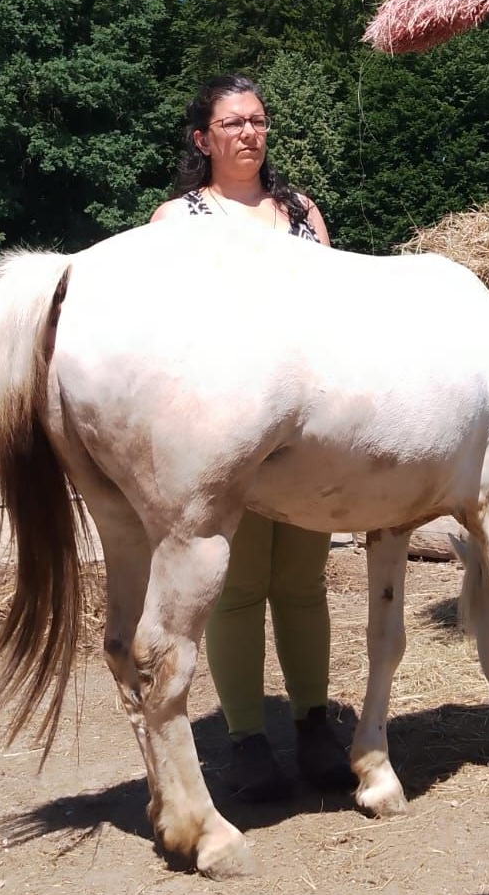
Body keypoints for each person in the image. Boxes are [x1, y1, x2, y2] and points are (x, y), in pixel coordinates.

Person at [150, 74, 353, 802]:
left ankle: (313, 726)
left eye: (258, 120)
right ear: (202, 138)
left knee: (301, 585)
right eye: (232, 122)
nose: (249, 133)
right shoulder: (176, 221)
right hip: (217, 434)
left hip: (305, 432)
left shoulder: (301, 213)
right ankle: (245, 741)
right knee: (233, 589)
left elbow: (334, 311)